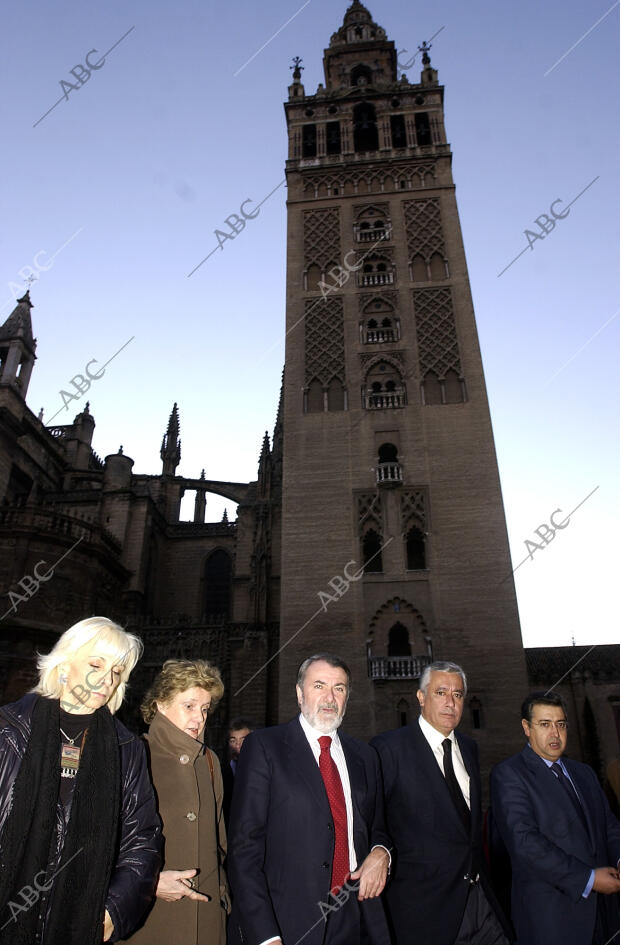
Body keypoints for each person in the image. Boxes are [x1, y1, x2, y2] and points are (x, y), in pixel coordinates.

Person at [0, 616, 161, 944]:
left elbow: (142, 838)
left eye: (117, 672)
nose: (107, 679)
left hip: (79, 926)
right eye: (96, 664)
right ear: (63, 664)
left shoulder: (127, 748)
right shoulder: (8, 731)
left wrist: (113, 911)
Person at [227, 653, 391, 945]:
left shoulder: (365, 756)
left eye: (339, 688)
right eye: (319, 686)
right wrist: (265, 935)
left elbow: (378, 826)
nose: (330, 697)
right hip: (290, 921)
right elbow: (244, 849)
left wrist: (381, 852)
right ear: (300, 694)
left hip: (357, 914)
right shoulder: (265, 748)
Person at [371, 660, 510, 945]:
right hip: (427, 913)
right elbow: (374, 820)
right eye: (440, 693)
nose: (451, 702)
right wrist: (380, 849)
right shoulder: (388, 749)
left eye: (457, 695)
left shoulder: (470, 749)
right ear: (421, 697)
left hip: (482, 905)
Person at [490, 691, 620, 945]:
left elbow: (609, 826)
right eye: (545, 724)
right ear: (526, 728)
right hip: (554, 920)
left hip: (606, 917)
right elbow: (525, 843)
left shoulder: (584, 773)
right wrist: (589, 879)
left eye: (560, 724)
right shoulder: (509, 775)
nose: (555, 733)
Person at [123, 659, 229, 945]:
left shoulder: (210, 762)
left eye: (205, 709)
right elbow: (99, 847)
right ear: (160, 704)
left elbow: (219, 844)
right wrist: (149, 882)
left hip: (207, 921)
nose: (199, 718)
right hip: (148, 920)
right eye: (189, 706)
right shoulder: (132, 757)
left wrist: (222, 899)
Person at [222, 717, 255, 827]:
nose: (237, 745)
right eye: (233, 740)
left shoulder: (265, 773)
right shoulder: (220, 775)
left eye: (243, 740)